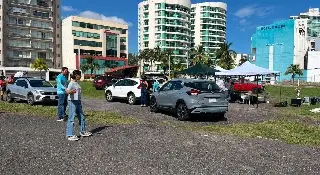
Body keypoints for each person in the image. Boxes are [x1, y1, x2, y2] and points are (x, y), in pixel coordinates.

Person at [66, 70, 92, 141]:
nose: (80, 76)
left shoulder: (76, 83)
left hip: (78, 102)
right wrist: (72, 91)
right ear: (76, 75)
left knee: (82, 117)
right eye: (80, 75)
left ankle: (82, 131)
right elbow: (67, 91)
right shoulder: (71, 83)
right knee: (71, 118)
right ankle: (70, 135)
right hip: (72, 102)